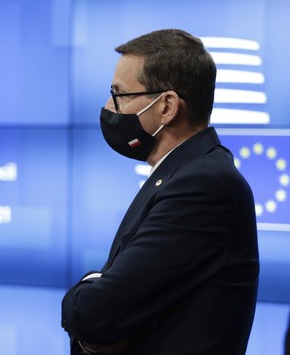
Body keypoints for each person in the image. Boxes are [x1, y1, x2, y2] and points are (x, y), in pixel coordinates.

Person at [61, 29, 259, 354]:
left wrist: (85, 288)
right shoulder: (183, 174)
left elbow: (94, 314)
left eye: (118, 94)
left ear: (166, 107)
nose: (109, 106)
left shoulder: (203, 186)